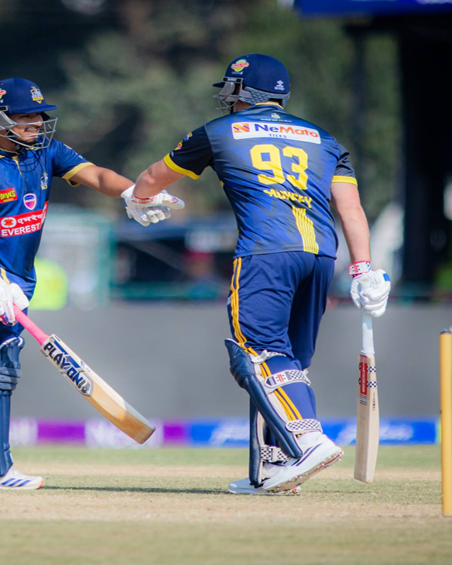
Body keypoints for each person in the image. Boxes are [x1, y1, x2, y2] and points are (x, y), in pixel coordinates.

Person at [0, 78, 183, 490]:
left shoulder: (45, 151)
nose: (35, 122)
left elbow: (97, 175)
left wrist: (134, 194)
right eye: (24, 116)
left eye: (38, 114)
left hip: (20, 278)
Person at [125, 54, 391, 495]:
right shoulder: (324, 139)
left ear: (241, 92)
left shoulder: (218, 131)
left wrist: (137, 200)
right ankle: (274, 466)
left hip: (265, 253)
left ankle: (308, 441)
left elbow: (153, 178)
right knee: (290, 362)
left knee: (260, 354)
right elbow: (351, 209)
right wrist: (364, 270)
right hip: (321, 256)